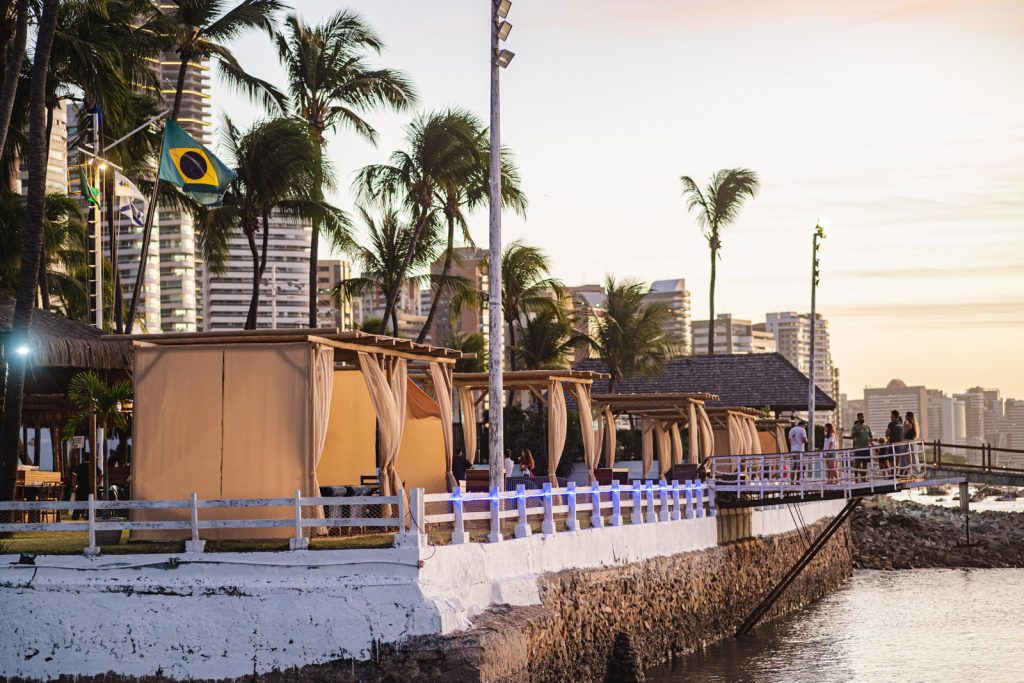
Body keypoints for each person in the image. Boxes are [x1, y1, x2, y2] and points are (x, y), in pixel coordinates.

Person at [849, 413, 873, 482]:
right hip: (858, 448)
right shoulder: (855, 427)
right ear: (858, 418)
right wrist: (858, 430)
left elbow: (871, 436)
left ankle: (863, 478)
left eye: (863, 417)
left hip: (866, 448)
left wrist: (871, 439)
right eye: (860, 417)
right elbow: (852, 436)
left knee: (865, 464)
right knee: (857, 464)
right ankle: (856, 479)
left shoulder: (867, 427)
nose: (862, 418)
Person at [883, 410, 904, 475]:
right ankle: (895, 473)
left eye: (891, 415)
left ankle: (892, 473)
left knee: (890, 458)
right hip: (900, 444)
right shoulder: (900, 423)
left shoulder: (891, 423)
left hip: (893, 444)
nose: (890, 417)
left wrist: (887, 436)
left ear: (894, 415)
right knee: (897, 460)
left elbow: (887, 433)